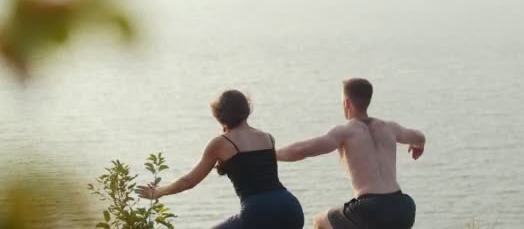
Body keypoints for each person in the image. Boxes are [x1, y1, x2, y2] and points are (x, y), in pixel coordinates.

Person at [136, 90, 304, 229]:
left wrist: (159, 192)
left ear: (220, 115)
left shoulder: (221, 143)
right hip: (290, 207)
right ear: (246, 110)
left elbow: (189, 181)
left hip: (258, 212)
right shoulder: (267, 138)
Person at [277, 78, 425, 229]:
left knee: (320, 221)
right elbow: (419, 137)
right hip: (403, 207)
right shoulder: (390, 128)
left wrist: (272, 155)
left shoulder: (345, 132)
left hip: (370, 208)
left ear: (347, 103)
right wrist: (418, 145)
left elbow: (302, 150)